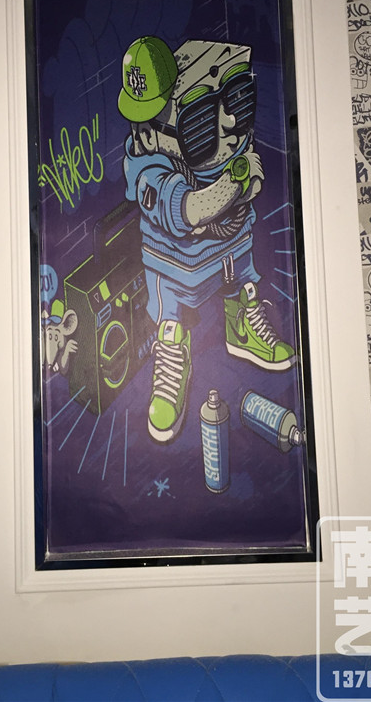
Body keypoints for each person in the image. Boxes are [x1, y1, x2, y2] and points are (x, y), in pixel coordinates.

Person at [119, 36, 295, 443]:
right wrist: (234, 183)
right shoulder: (147, 167)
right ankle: (172, 349)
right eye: (199, 121)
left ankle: (241, 325)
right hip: (176, 268)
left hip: (231, 251)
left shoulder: (231, 139)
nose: (231, 124)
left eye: (239, 99)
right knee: (170, 313)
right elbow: (189, 208)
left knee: (241, 282)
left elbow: (251, 174)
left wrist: (244, 178)